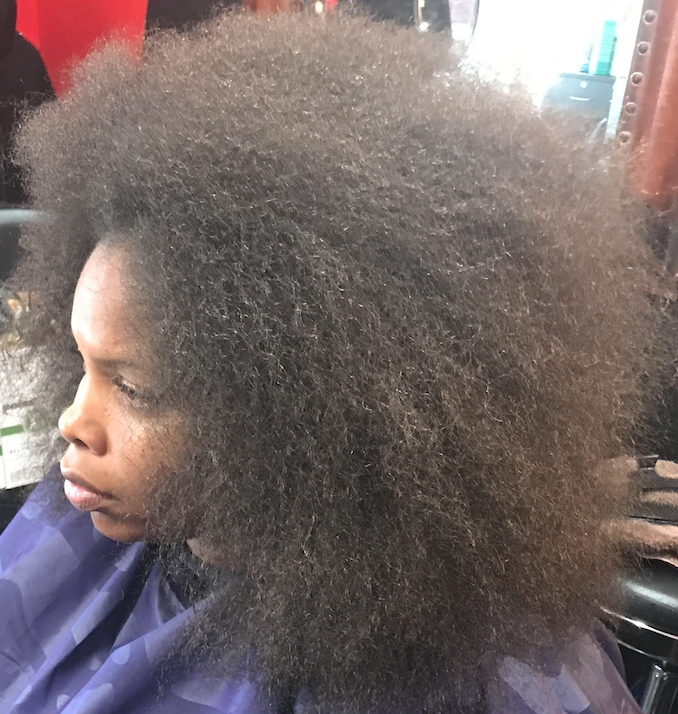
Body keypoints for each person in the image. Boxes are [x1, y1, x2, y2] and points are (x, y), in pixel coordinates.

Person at [0, 10, 669, 714]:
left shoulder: (476, 686)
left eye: (134, 388)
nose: (73, 422)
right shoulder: (89, 522)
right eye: (83, 363)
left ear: (313, 414)